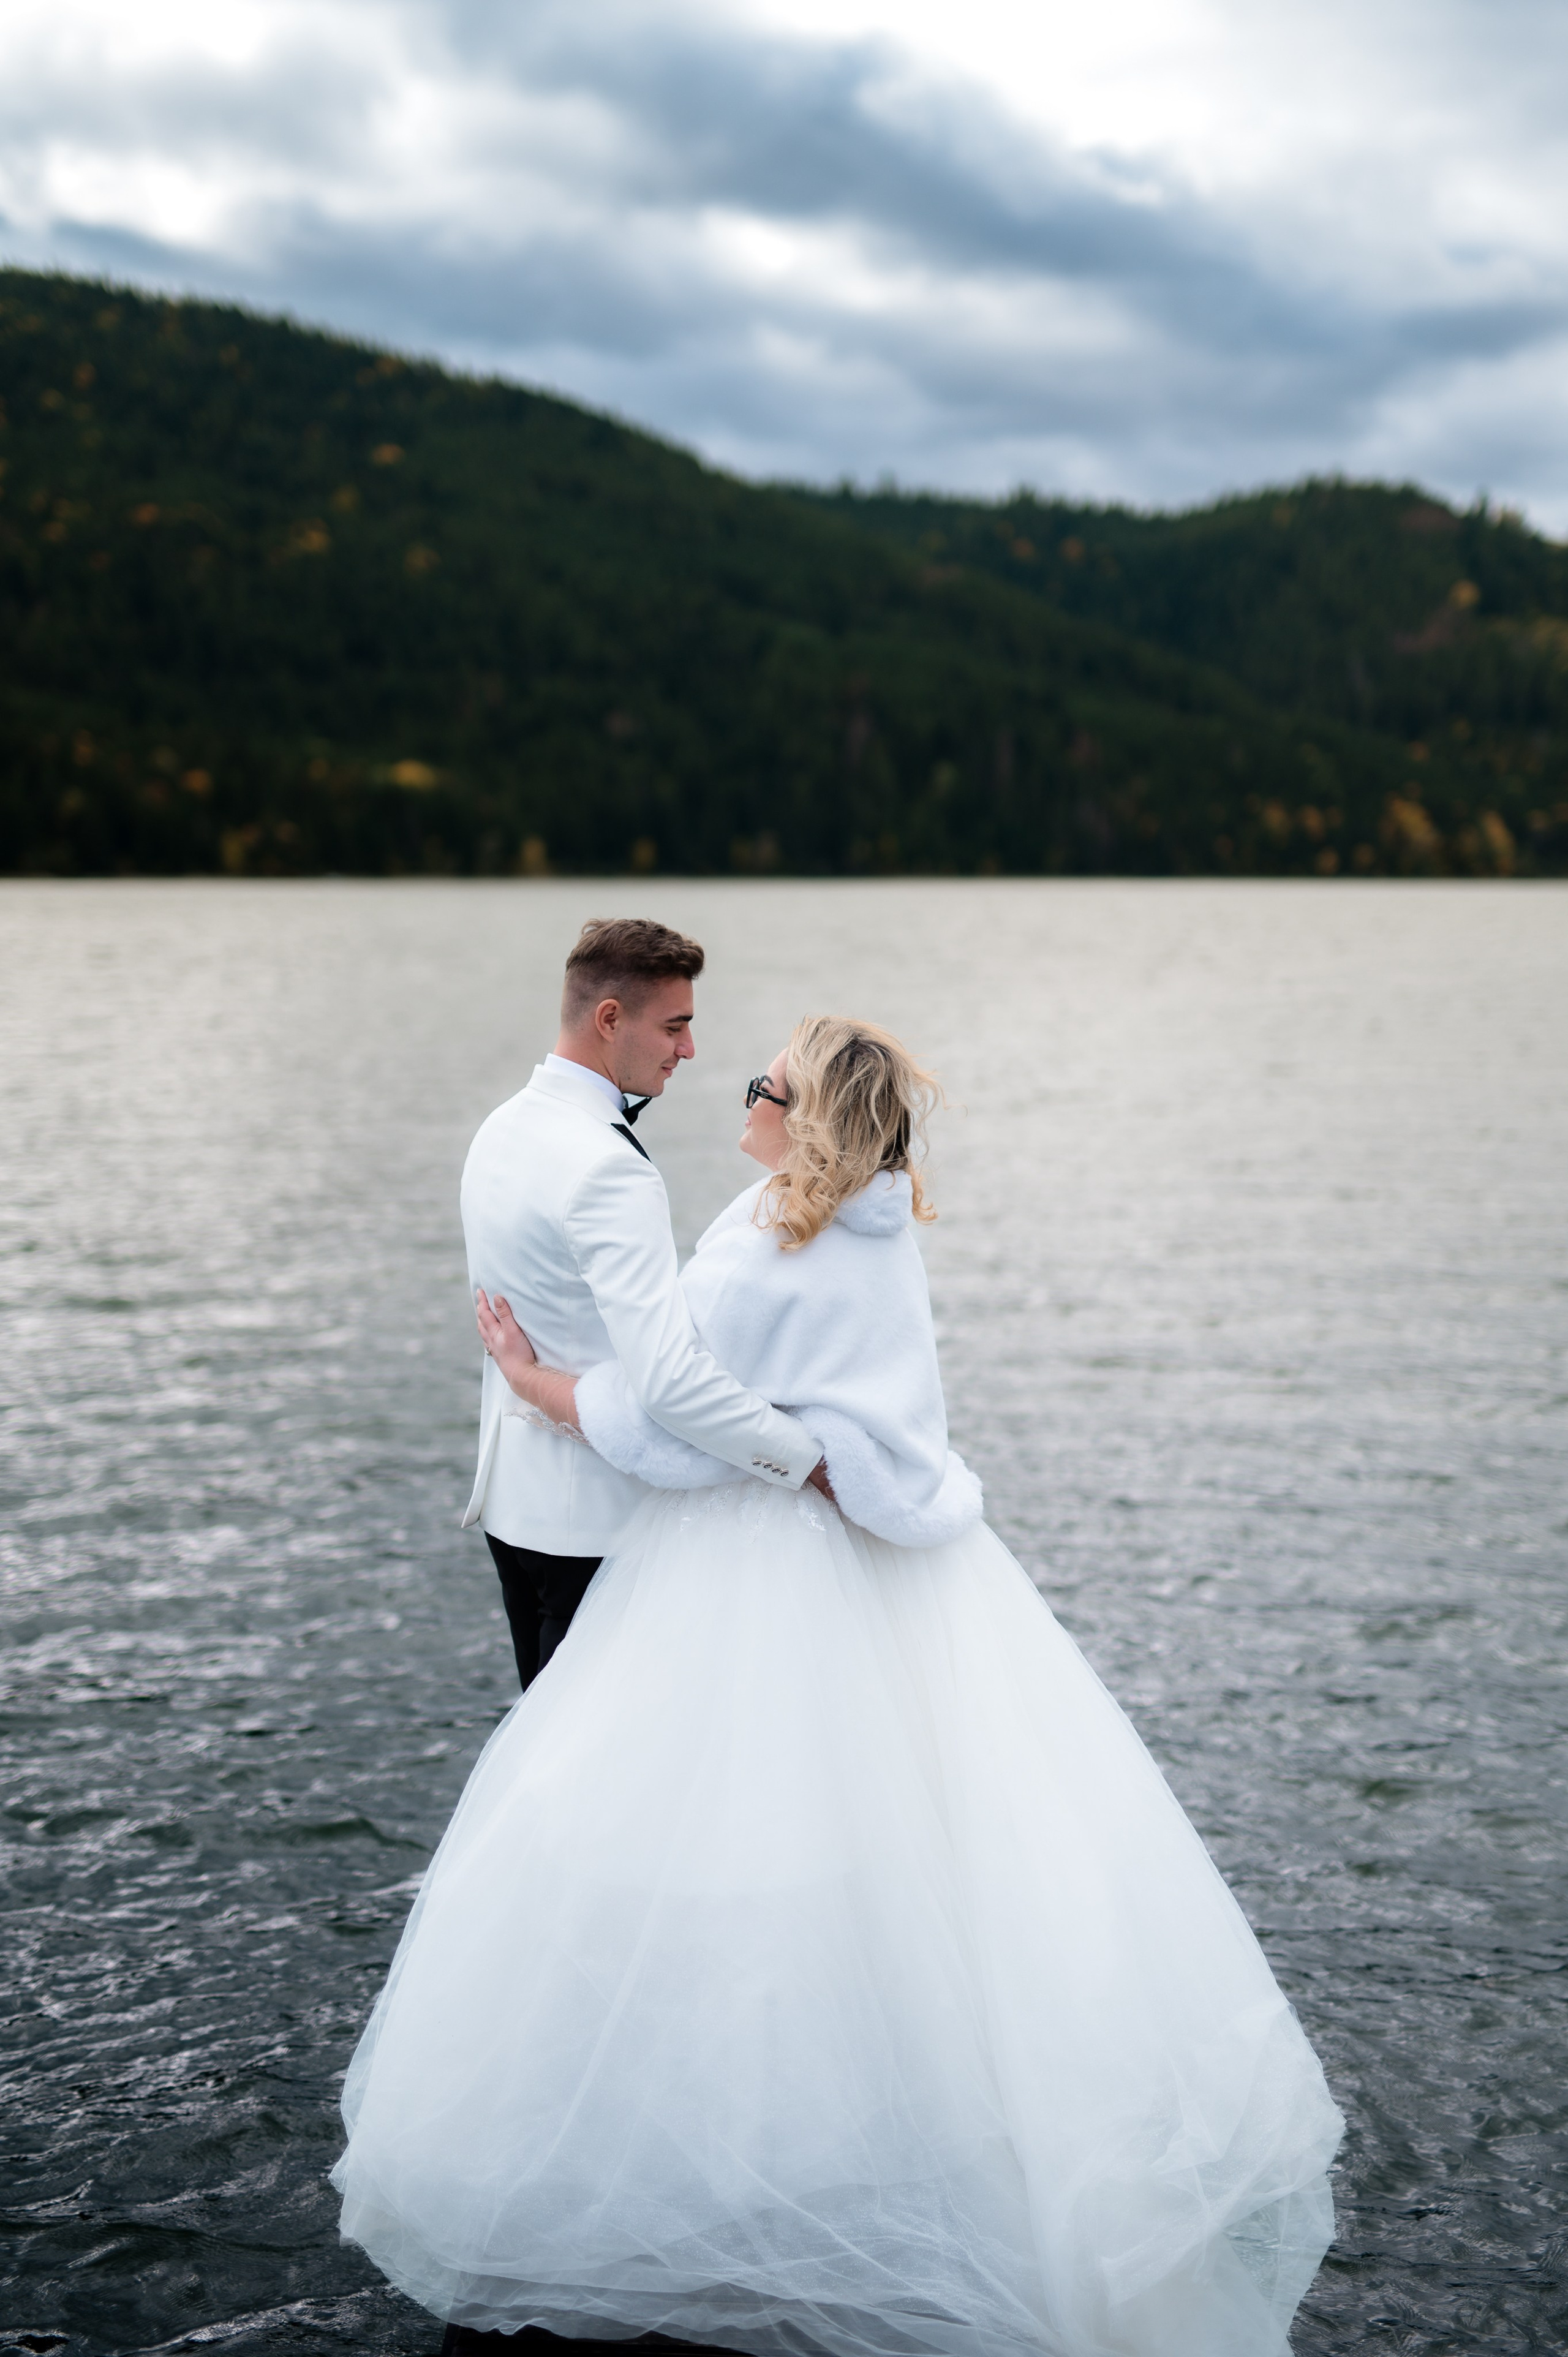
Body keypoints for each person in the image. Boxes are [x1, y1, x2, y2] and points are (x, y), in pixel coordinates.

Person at [334, 1016, 1343, 2357]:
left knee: (693, 1841)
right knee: (911, 1865)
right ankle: (898, 2143)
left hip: (747, 1569)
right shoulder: (876, 1231)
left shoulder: (768, 1240)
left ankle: (717, 2174)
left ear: (804, 1118)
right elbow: (859, 1419)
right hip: (888, 1566)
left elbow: (674, 1422)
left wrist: (537, 1381)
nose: (744, 1094)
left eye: (767, 1084)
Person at [458, 916, 826, 1693]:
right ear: (609, 1018)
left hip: (514, 1511)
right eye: (673, 1026)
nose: (688, 1049)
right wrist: (806, 1460)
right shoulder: (606, 1166)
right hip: (598, 1528)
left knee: (544, 1747)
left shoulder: (501, 1127)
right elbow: (669, 1381)